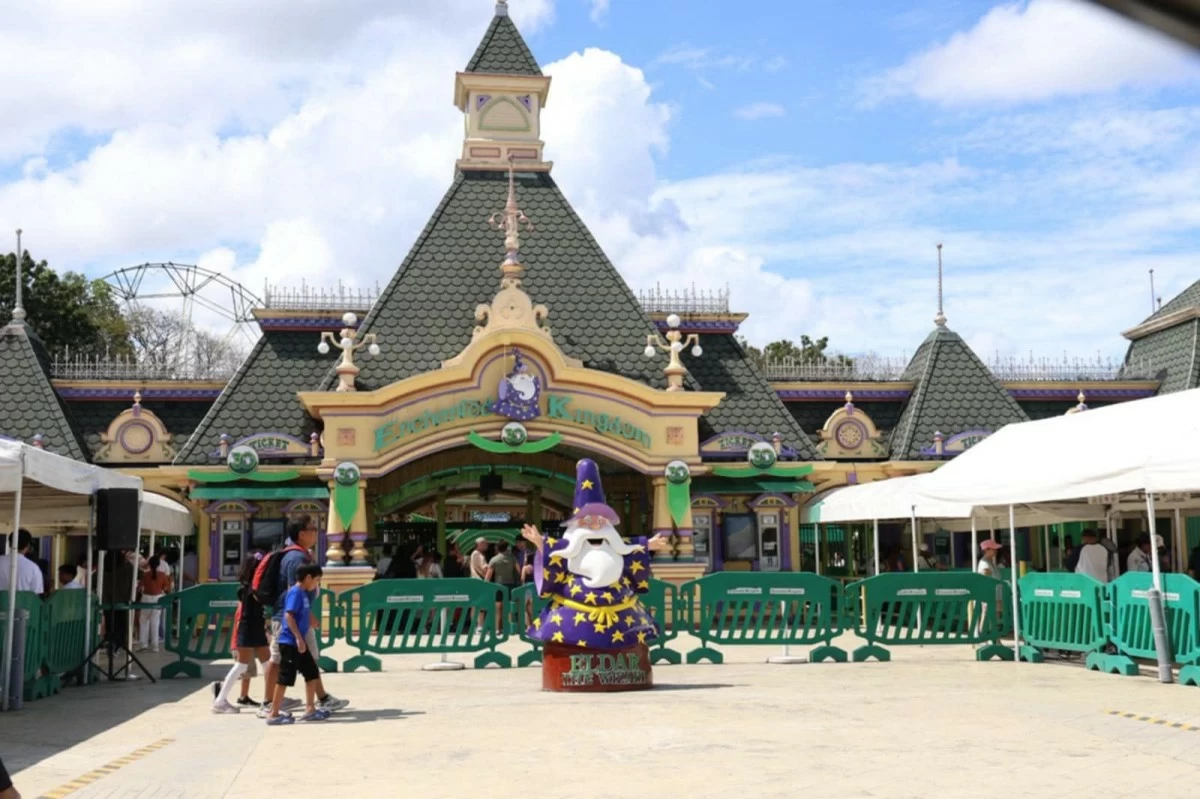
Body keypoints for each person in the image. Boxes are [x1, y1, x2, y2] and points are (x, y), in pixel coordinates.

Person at [260, 517, 347, 720]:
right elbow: (295, 593)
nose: (317, 532)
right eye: (313, 529)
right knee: (281, 662)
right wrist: (308, 617)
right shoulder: (296, 558)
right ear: (301, 534)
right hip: (292, 622)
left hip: (295, 620)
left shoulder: (298, 555)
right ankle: (270, 704)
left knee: (306, 662)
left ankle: (318, 700)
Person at [266, 564, 328, 725]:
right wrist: (299, 639)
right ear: (308, 578)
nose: (317, 584)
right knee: (285, 678)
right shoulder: (295, 592)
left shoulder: (304, 593)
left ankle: (310, 709)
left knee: (312, 672)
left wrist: (313, 622)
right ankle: (273, 714)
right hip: (290, 642)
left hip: (298, 642)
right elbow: (289, 616)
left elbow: (303, 613)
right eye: (317, 580)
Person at [213, 553, 272, 714]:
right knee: (245, 665)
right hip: (250, 628)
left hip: (253, 627)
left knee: (266, 664)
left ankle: (272, 698)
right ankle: (220, 700)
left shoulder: (247, 587)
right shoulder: (253, 588)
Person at [137, 555, 171, 652]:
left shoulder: (145, 575)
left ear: (149, 564)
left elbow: (140, 587)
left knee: (143, 621)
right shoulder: (162, 575)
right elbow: (166, 588)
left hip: (146, 598)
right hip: (158, 599)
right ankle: (155, 645)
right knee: (155, 622)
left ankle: (143, 643)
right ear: (159, 564)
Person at [485, 541, 520, 633]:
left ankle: (497, 629)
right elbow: (518, 570)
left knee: (498, 608)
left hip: (499, 586)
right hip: (510, 585)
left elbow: (488, 575)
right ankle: (511, 628)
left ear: (497, 548)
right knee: (510, 607)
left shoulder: (494, 560)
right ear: (506, 548)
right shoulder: (512, 558)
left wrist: (485, 585)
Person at [0, 529, 44, 594]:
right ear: (28, 545)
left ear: (9, 544)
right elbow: (36, 595)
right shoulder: (34, 568)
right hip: (24, 601)